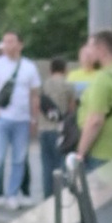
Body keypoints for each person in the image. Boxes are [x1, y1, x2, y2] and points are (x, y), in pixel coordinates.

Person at [0, 31, 40, 198]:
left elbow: (34, 94)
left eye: (11, 41)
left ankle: (13, 193)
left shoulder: (29, 67)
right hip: (1, 117)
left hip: (22, 119)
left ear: (20, 45)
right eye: (5, 42)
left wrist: (34, 118)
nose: (8, 45)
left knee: (19, 159)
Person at [73, 28, 112, 167]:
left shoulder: (104, 78)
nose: (88, 51)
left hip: (104, 151)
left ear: (101, 49)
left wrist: (80, 152)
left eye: (90, 46)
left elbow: (95, 121)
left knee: (99, 188)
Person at [37, 56, 76, 198]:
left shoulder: (43, 85)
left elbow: (37, 105)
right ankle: (60, 195)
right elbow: (72, 109)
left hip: (44, 129)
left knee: (47, 166)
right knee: (61, 165)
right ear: (65, 69)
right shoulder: (68, 86)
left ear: (50, 69)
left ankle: (47, 196)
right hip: (61, 131)